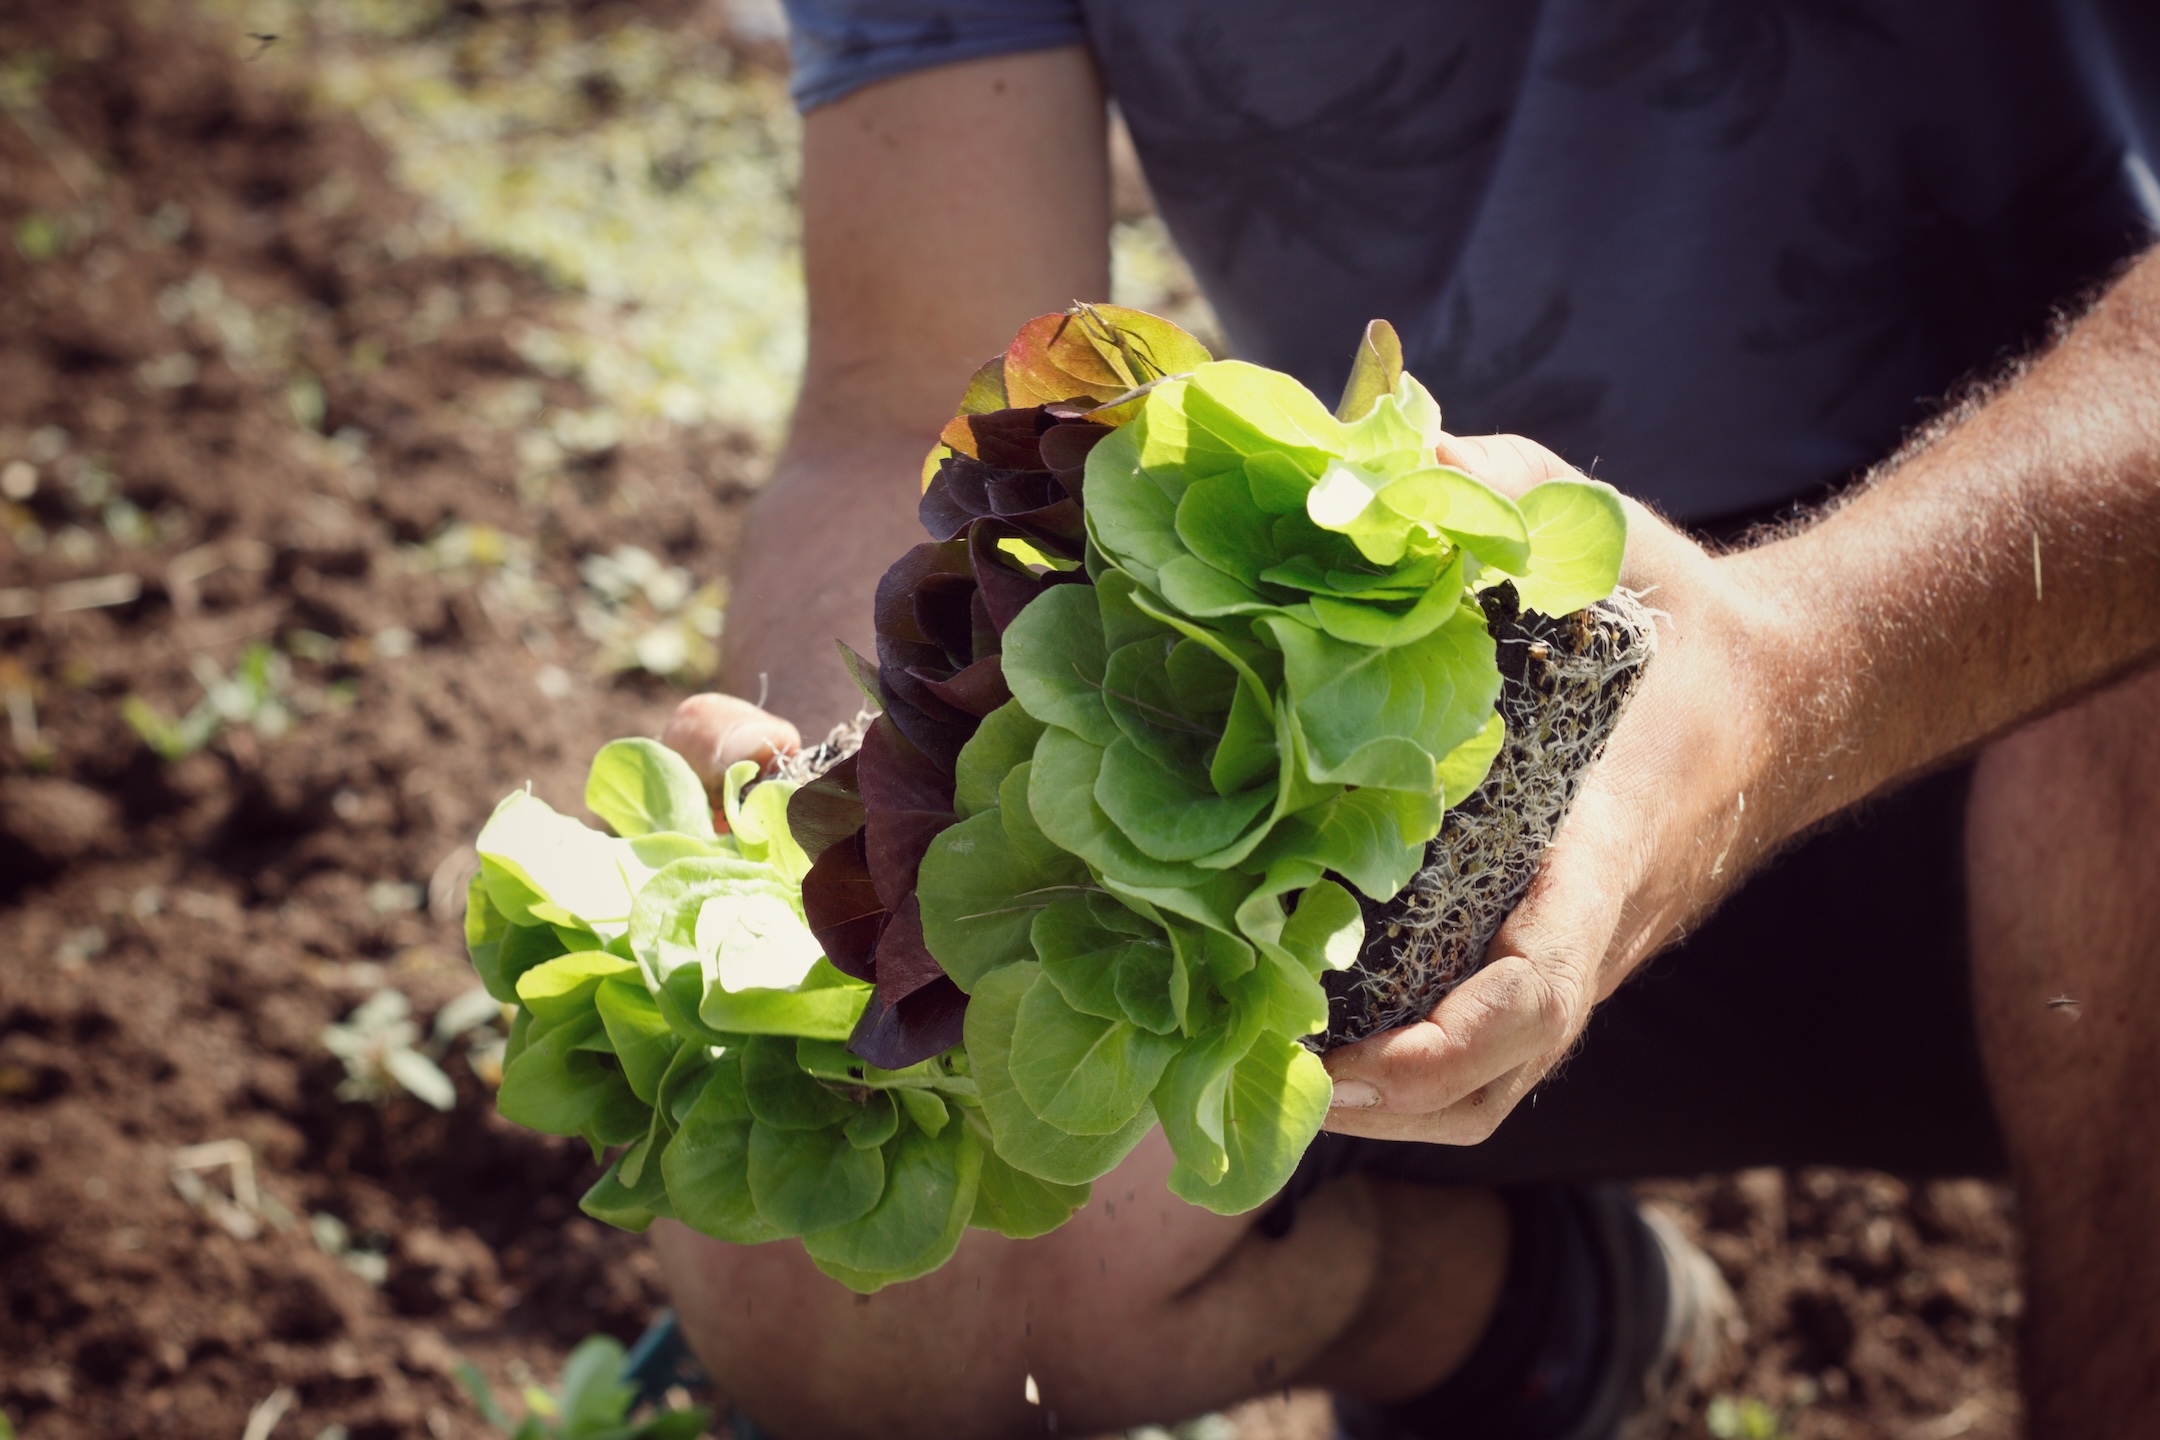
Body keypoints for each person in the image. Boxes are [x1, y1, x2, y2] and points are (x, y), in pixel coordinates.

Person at [650, 4, 2160, 1436]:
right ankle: (1538, 1325)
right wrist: (863, 805)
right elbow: (911, 389)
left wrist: (1792, 670)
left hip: (2033, 631)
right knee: (847, 1254)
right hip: (1442, 759)